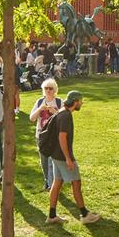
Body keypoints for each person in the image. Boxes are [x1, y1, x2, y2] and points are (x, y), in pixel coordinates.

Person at [44, 91, 100, 224]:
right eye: (80, 101)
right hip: (62, 156)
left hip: (55, 155)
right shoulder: (66, 116)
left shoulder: (62, 112)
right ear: (75, 102)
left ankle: (52, 216)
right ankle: (85, 214)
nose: (81, 103)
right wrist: (68, 159)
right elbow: (62, 137)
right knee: (76, 182)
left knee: (57, 183)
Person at [29, 79, 64, 191]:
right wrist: (40, 109)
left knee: (52, 161)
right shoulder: (39, 102)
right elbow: (32, 118)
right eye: (46, 88)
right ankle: (47, 181)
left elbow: (64, 119)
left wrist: (55, 112)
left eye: (50, 88)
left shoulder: (59, 102)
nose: (48, 90)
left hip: (54, 136)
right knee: (44, 160)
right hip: (41, 135)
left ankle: (51, 185)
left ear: (55, 90)